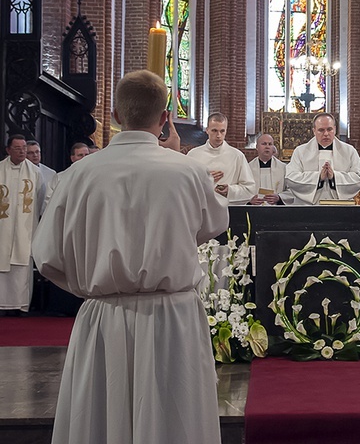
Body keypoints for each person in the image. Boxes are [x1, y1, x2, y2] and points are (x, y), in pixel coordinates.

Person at [32, 69, 228, 444]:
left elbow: (47, 257)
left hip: (104, 317)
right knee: (175, 422)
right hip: (173, 319)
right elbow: (212, 224)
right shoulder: (188, 171)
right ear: (166, 117)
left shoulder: (78, 175)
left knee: (103, 422)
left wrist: (92, 286)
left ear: (117, 116)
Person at [285, 113, 360, 205]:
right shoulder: (300, 151)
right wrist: (318, 178)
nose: (326, 134)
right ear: (314, 131)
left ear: (335, 129)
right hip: (308, 207)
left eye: (329, 129)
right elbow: (291, 177)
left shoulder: (349, 151)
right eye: (321, 130)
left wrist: (334, 177)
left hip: (339, 206)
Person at [0, 135, 41, 314]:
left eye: (24, 147)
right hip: (3, 227)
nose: (22, 151)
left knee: (22, 262)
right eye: (17, 148)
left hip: (25, 228)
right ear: (8, 150)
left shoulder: (35, 172)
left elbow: (39, 200)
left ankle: (20, 306)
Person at [187, 112, 256, 204]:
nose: (218, 135)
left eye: (222, 131)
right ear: (207, 130)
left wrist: (230, 190)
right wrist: (204, 180)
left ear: (226, 131)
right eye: (214, 131)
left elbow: (250, 189)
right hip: (201, 208)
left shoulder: (237, 156)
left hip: (228, 210)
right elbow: (185, 186)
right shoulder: (193, 155)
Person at [43, 142, 91, 213]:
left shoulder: (94, 177)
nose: (84, 158)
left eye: (86, 155)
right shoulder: (60, 178)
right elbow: (49, 200)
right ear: (72, 158)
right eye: (80, 155)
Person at [248, 133, 292, 205]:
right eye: (264, 144)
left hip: (276, 210)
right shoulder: (248, 168)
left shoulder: (283, 168)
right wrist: (250, 199)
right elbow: (242, 189)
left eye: (270, 144)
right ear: (257, 147)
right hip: (255, 209)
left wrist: (279, 197)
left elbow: (291, 190)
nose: (267, 147)